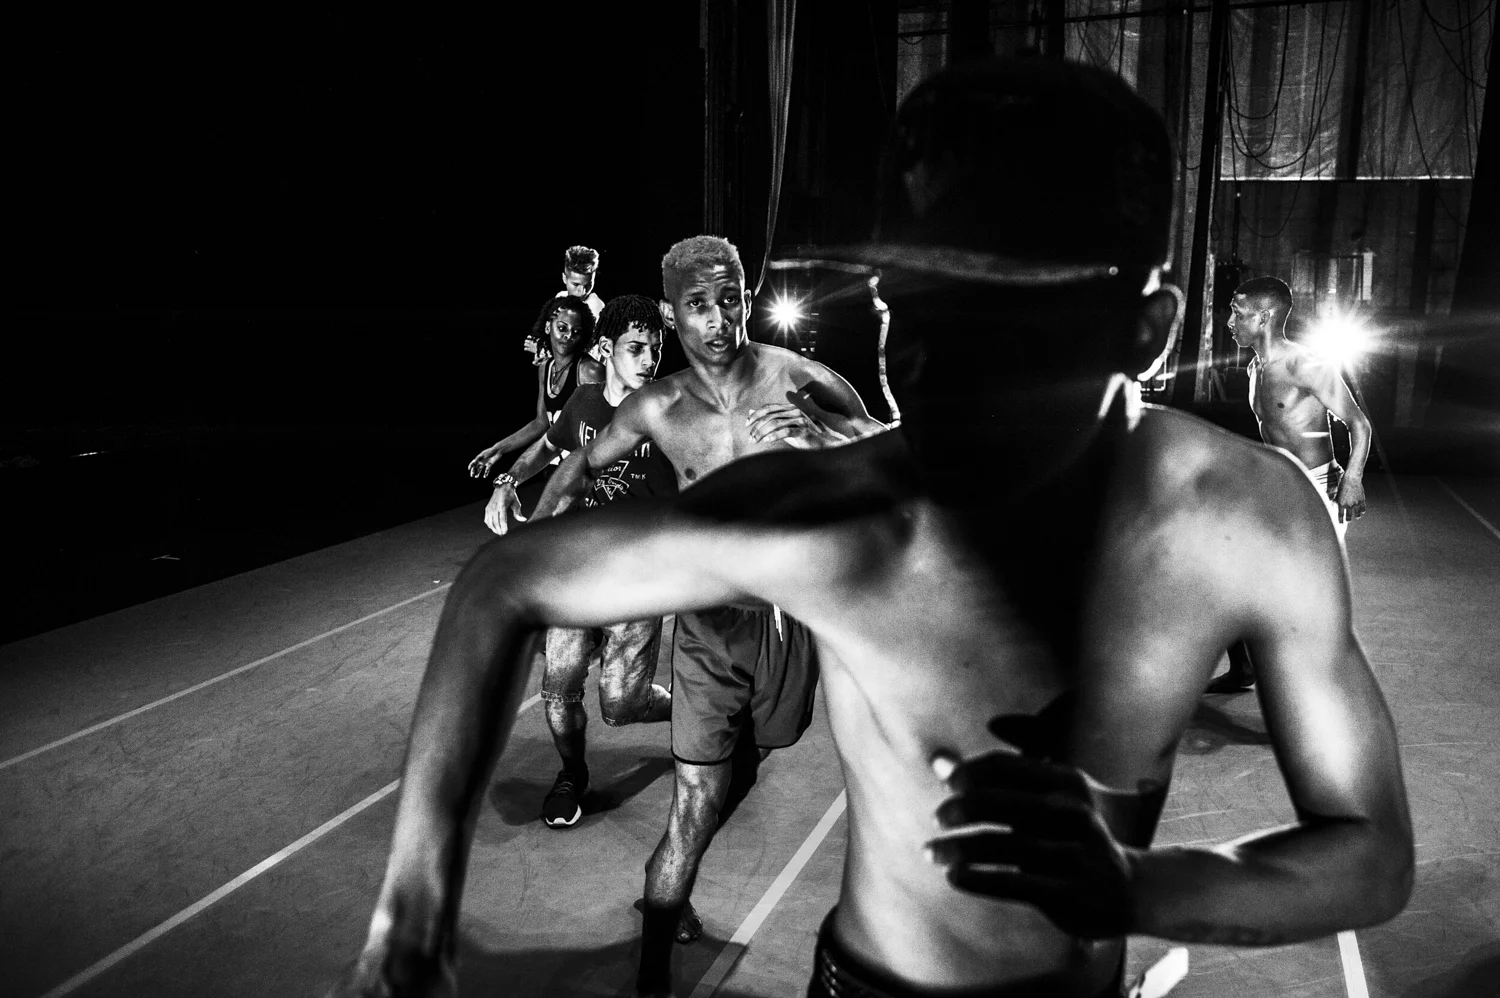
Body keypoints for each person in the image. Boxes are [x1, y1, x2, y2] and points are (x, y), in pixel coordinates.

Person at [331, 58, 1412, 998]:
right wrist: (411, 912)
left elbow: (1370, 852)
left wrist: (1143, 886)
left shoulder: (1248, 518)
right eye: (909, 311)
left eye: (1008, 330)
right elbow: (502, 582)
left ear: (1148, 330)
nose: (937, 371)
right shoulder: (841, 514)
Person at [528, 233, 886, 978]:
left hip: (787, 622)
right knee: (692, 806)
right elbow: (575, 467)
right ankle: (653, 968)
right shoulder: (660, 407)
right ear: (672, 314)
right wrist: (529, 548)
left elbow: (898, 458)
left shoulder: (802, 379)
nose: (720, 319)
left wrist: (833, 437)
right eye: (699, 305)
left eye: (731, 299)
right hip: (705, 627)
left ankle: (714, 797)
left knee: (758, 755)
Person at [484, 294, 678, 829]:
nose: (648, 359)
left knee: (621, 707)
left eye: (655, 349)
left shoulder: (668, 416)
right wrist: (507, 481)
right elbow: (548, 448)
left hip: (639, 586)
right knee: (559, 684)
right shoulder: (585, 406)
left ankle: (692, 708)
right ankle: (572, 774)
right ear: (605, 349)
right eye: (636, 348)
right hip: (578, 575)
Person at [1206, 274, 1374, 694]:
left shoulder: (1305, 364)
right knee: (1230, 574)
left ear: (1263, 317)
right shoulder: (1253, 366)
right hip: (1280, 487)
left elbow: (1359, 424)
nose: (1230, 321)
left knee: (1308, 601)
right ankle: (1244, 670)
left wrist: (1352, 478)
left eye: (1237, 312)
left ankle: (1325, 701)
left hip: (1319, 491)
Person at [468, 295, 604, 489]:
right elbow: (541, 423)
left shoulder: (589, 371)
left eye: (576, 331)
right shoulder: (546, 368)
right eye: (562, 328)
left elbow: (613, 426)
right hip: (559, 467)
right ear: (548, 327)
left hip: (591, 472)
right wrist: (498, 449)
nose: (568, 336)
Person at [525, 245, 606, 359]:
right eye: (576, 284)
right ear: (564, 278)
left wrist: (542, 351)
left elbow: (587, 357)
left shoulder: (596, 308)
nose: (582, 291)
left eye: (588, 284)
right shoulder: (560, 297)